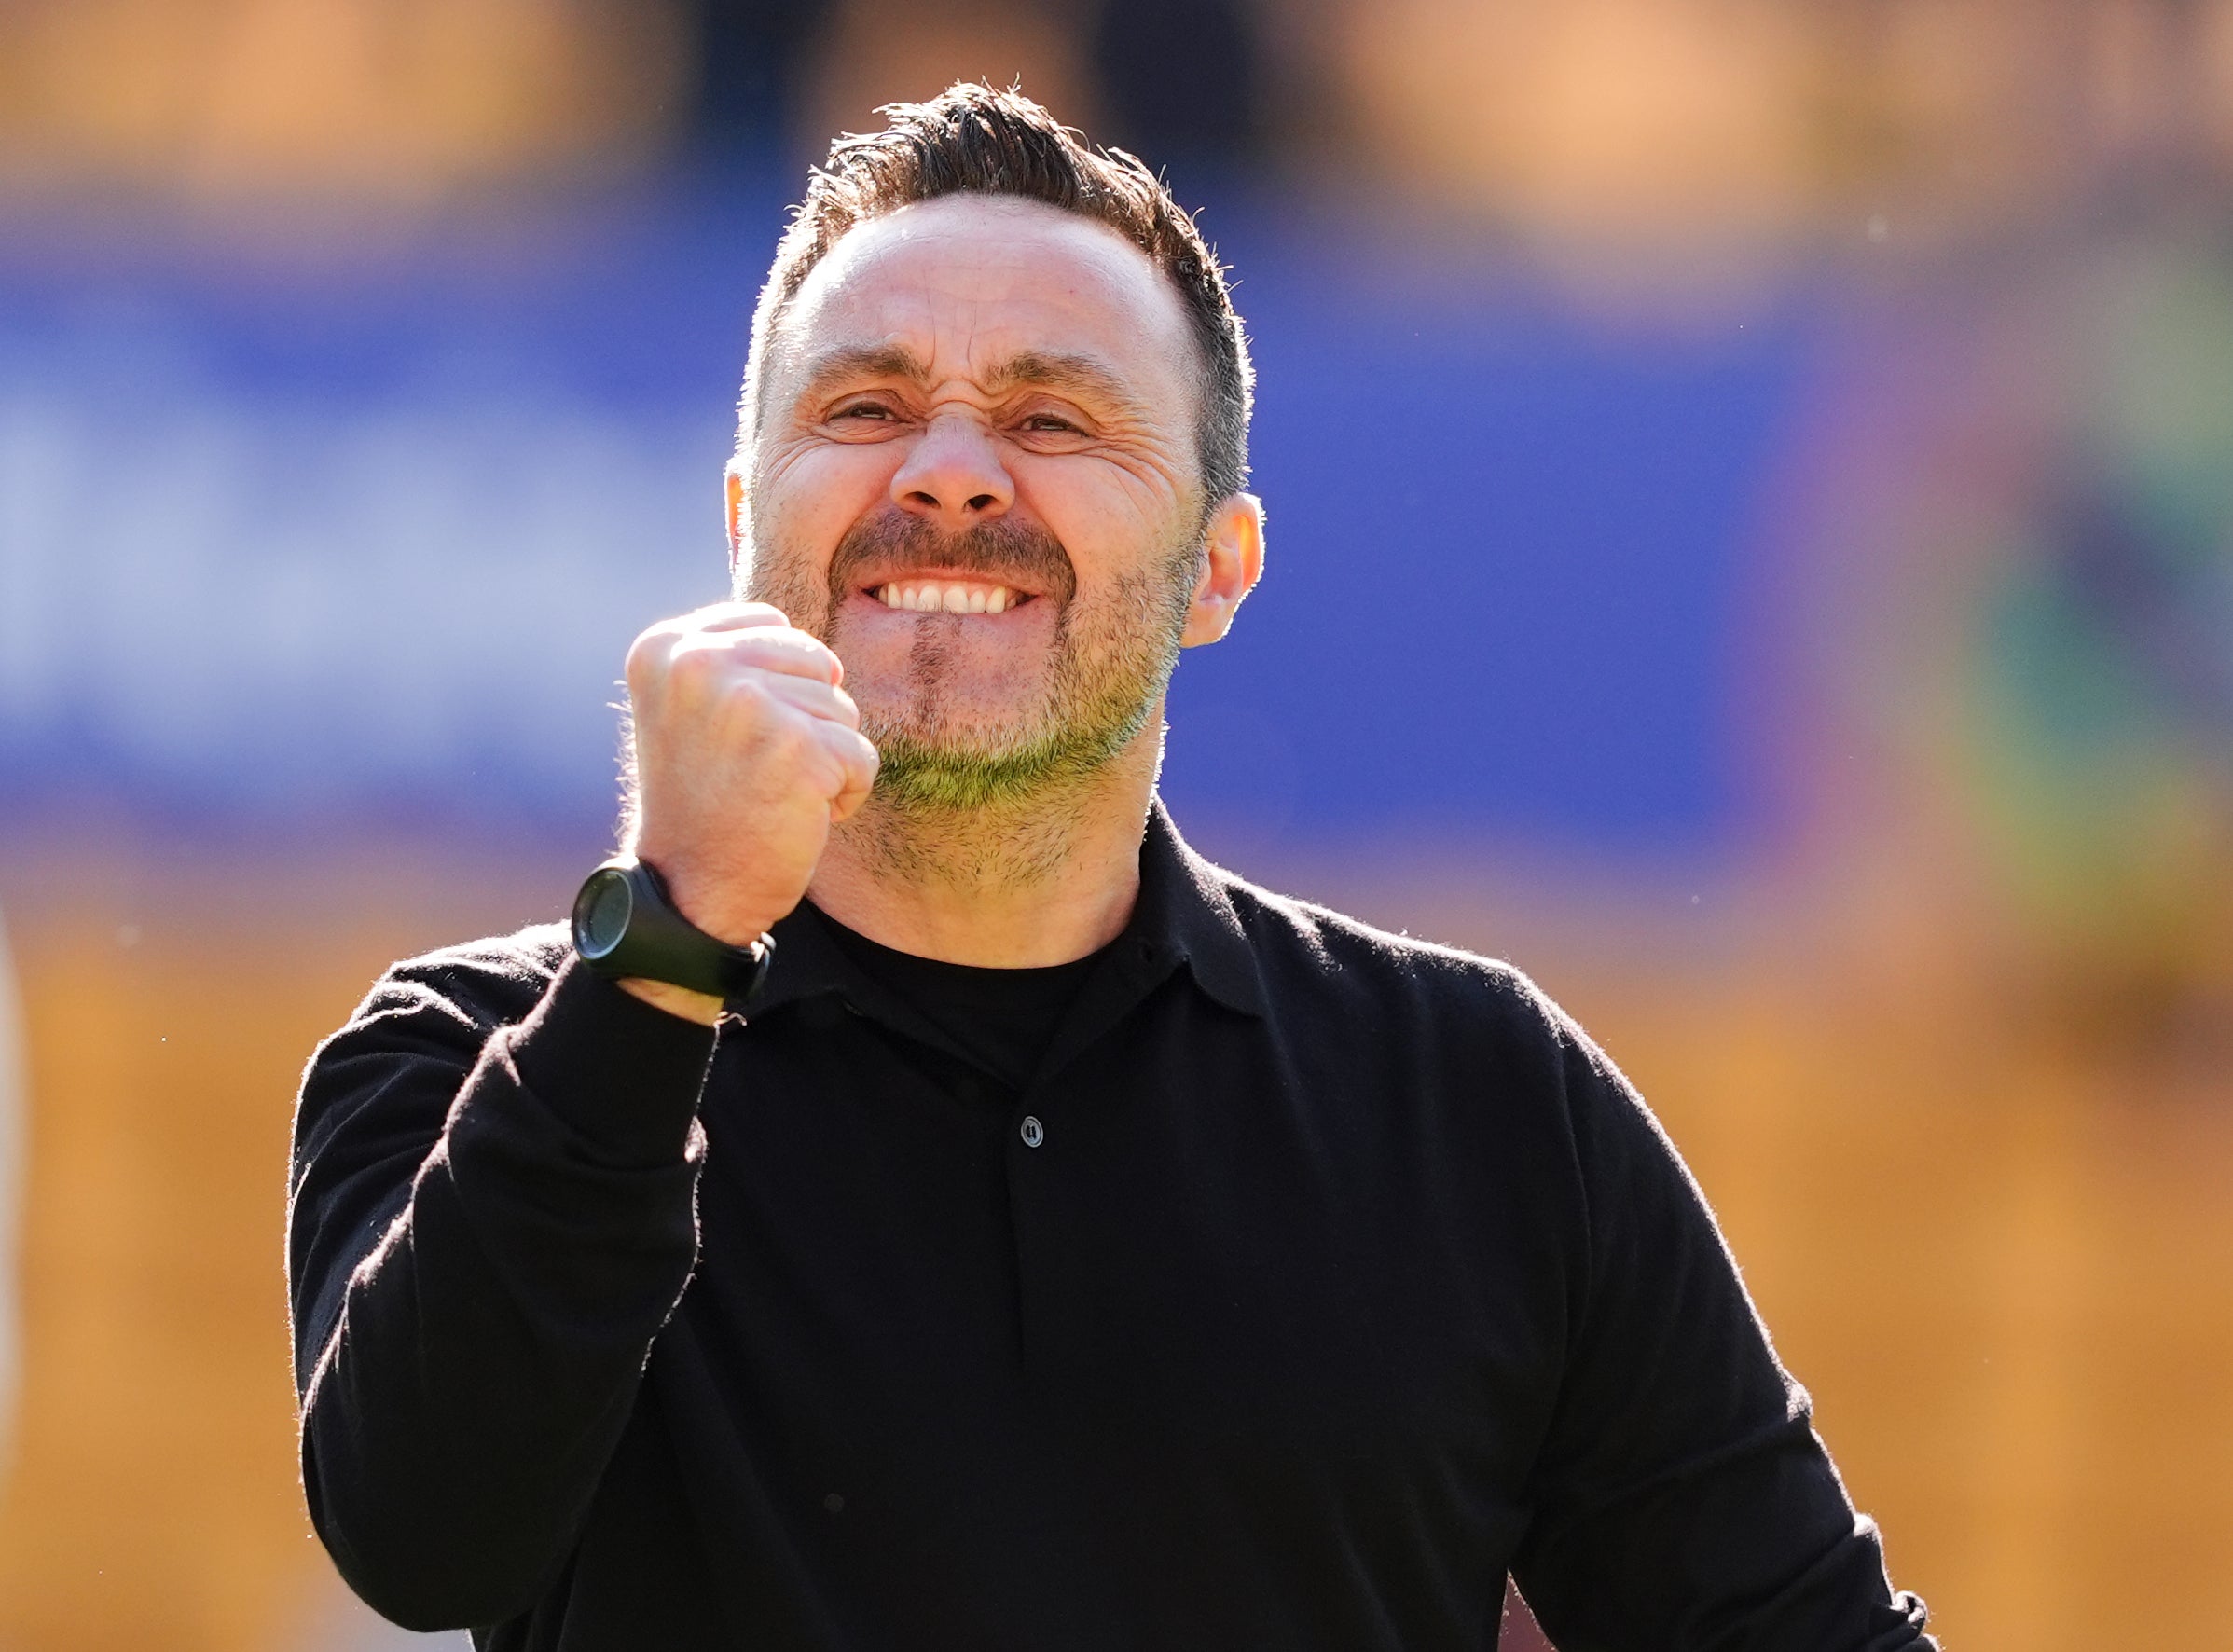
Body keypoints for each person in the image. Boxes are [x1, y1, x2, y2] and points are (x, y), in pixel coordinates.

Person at [288, 84, 1936, 1651]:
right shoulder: (461, 1055)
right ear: (743, 522)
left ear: (1221, 566)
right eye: (864, 409)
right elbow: (425, 1539)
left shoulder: (1482, 1102)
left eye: (1051, 417)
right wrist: (671, 938)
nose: (946, 469)